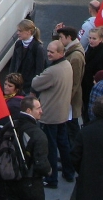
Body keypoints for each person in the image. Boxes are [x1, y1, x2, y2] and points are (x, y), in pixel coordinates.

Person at [31, 40, 74, 189]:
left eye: (52, 52)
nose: (48, 54)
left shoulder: (52, 71)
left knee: (50, 148)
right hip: (62, 113)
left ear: (61, 53)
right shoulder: (67, 65)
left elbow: (35, 83)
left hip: (49, 115)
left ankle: (51, 179)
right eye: (48, 51)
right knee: (64, 144)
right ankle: (69, 173)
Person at [4, 96, 52, 200]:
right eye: (38, 108)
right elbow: (41, 164)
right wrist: (49, 171)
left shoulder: (10, 126)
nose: (41, 111)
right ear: (29, 110)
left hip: (10, 181)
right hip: (31, 183)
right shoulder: (38, 134)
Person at [8, 19, 47, 95]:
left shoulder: (38, 48)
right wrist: (10, 80)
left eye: (20, 31)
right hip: (18, 85)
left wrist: (34, 90)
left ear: (29, 32)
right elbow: (13, 63)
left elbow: (39, 71)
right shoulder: (18, 44)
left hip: (29, 87)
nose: (18, 33)